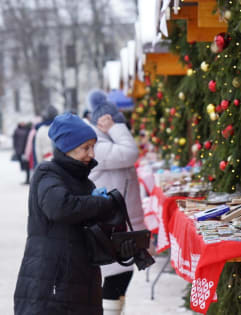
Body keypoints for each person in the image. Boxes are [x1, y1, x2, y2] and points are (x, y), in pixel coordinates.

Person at [14, 113, 123, 315]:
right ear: (67, 148)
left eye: (93, 147)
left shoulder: (84, 181)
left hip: (81, 275)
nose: (91, 154)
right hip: (52, 278)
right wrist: (101, 203)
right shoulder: (47, 173)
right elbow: (59, 207)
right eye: (85, 148)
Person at [88, 90, 146, 315]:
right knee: (115, 275)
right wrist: (116, 128)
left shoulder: (106, 143)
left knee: (123, 273)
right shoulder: (97, 146)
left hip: (122, 222)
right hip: (111, 224)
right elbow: (131, 152)